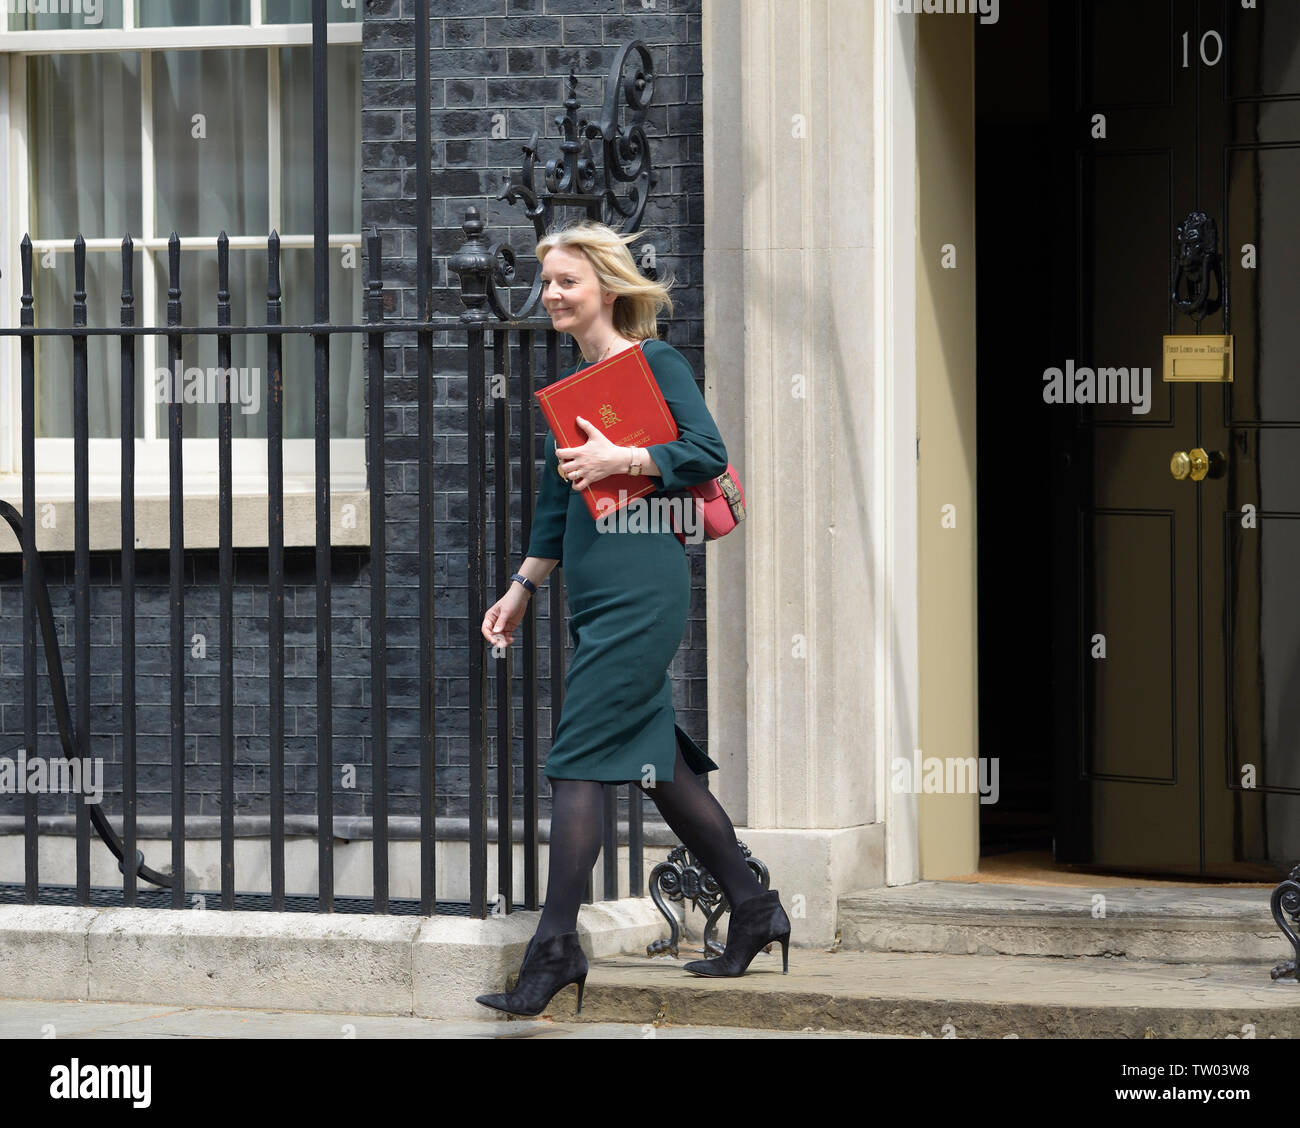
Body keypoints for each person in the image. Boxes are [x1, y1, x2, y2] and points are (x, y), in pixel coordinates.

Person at [474, 220, 791, 1018]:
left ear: (607, 289)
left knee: (578, 757)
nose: (551, 294)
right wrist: (521, 588)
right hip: (593, 589)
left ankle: (553, 949)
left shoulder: (653, 362)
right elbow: (557, 500)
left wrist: (625, 459)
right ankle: (755, 908)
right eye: (546, 282)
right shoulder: (570, 388)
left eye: (566, 282)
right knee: (662, 773)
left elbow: (707, 451)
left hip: (644, 585)